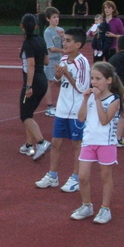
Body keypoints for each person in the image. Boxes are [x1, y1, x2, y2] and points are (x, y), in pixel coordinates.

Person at [35, 28, 90, 192]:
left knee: (76, 145)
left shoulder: (82, 62)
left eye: (67, 40)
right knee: (57, 142)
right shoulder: (65, 58)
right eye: (63, 40)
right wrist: (59, 75)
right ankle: (53, 175)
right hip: (62, 108)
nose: (63, 43)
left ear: (78, 44)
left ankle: (76, 177)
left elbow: (81, 88)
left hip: (76, 111)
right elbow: (60, 82)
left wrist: (66, 72)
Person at [71, 62, 123, 224]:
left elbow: (104, 119)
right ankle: (87, 206)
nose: (94, 82)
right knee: (83, 176)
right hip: (88, 142)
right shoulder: (90, 97)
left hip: (105, 143)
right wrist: (85, 100)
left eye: (98, 78)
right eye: (92, 78)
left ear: (108, 80)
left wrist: (98, 99)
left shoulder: (114, 99)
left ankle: (105, 208)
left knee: (105, 176)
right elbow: (80, 117)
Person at [17, 13, 50, 159]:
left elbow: (31, 64)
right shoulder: (40, 40)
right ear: (36, 26)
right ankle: (29, 145)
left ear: (22, 27)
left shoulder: (28, 43)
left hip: (33, 82)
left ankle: (41, 142)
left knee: (25, 115)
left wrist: (29, 87)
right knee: (29, 112)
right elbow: (46, 61)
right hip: (42, 80)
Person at [43, 7, 64, 117]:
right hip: (51, 60)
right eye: (54, 17)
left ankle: (63, 104)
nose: (56, 19)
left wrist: (63, 37)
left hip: (60, 59)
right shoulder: (47, 32)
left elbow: (65, 43)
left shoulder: (61, 30)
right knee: (50, 82)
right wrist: (64, 50)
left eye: (57, 17)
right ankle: (49, 106)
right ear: (48, 19)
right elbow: (51, 48)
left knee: (62, 82)